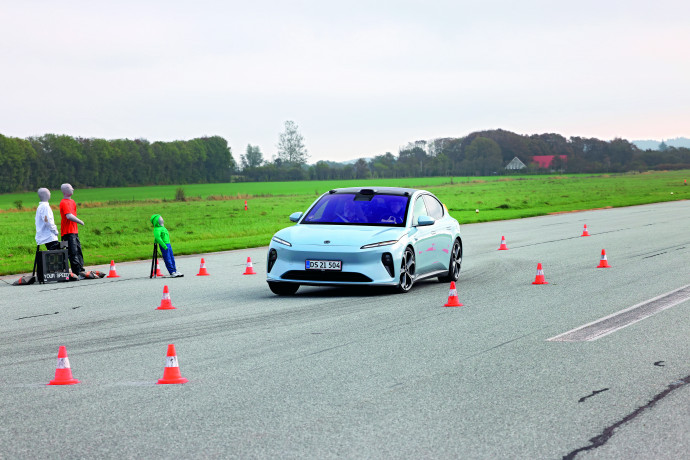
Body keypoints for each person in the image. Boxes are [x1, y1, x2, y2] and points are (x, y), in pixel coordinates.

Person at [59, 183, 86, 277]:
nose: (73, 189)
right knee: (73, 251)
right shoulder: (64, 202)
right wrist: (80, 221)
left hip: (74, 231)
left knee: (78, 250)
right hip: (67, 231)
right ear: (65, 190)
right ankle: (76, 271)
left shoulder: (72, 202)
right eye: (71, 188)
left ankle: (81, 269)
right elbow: (69, 216)